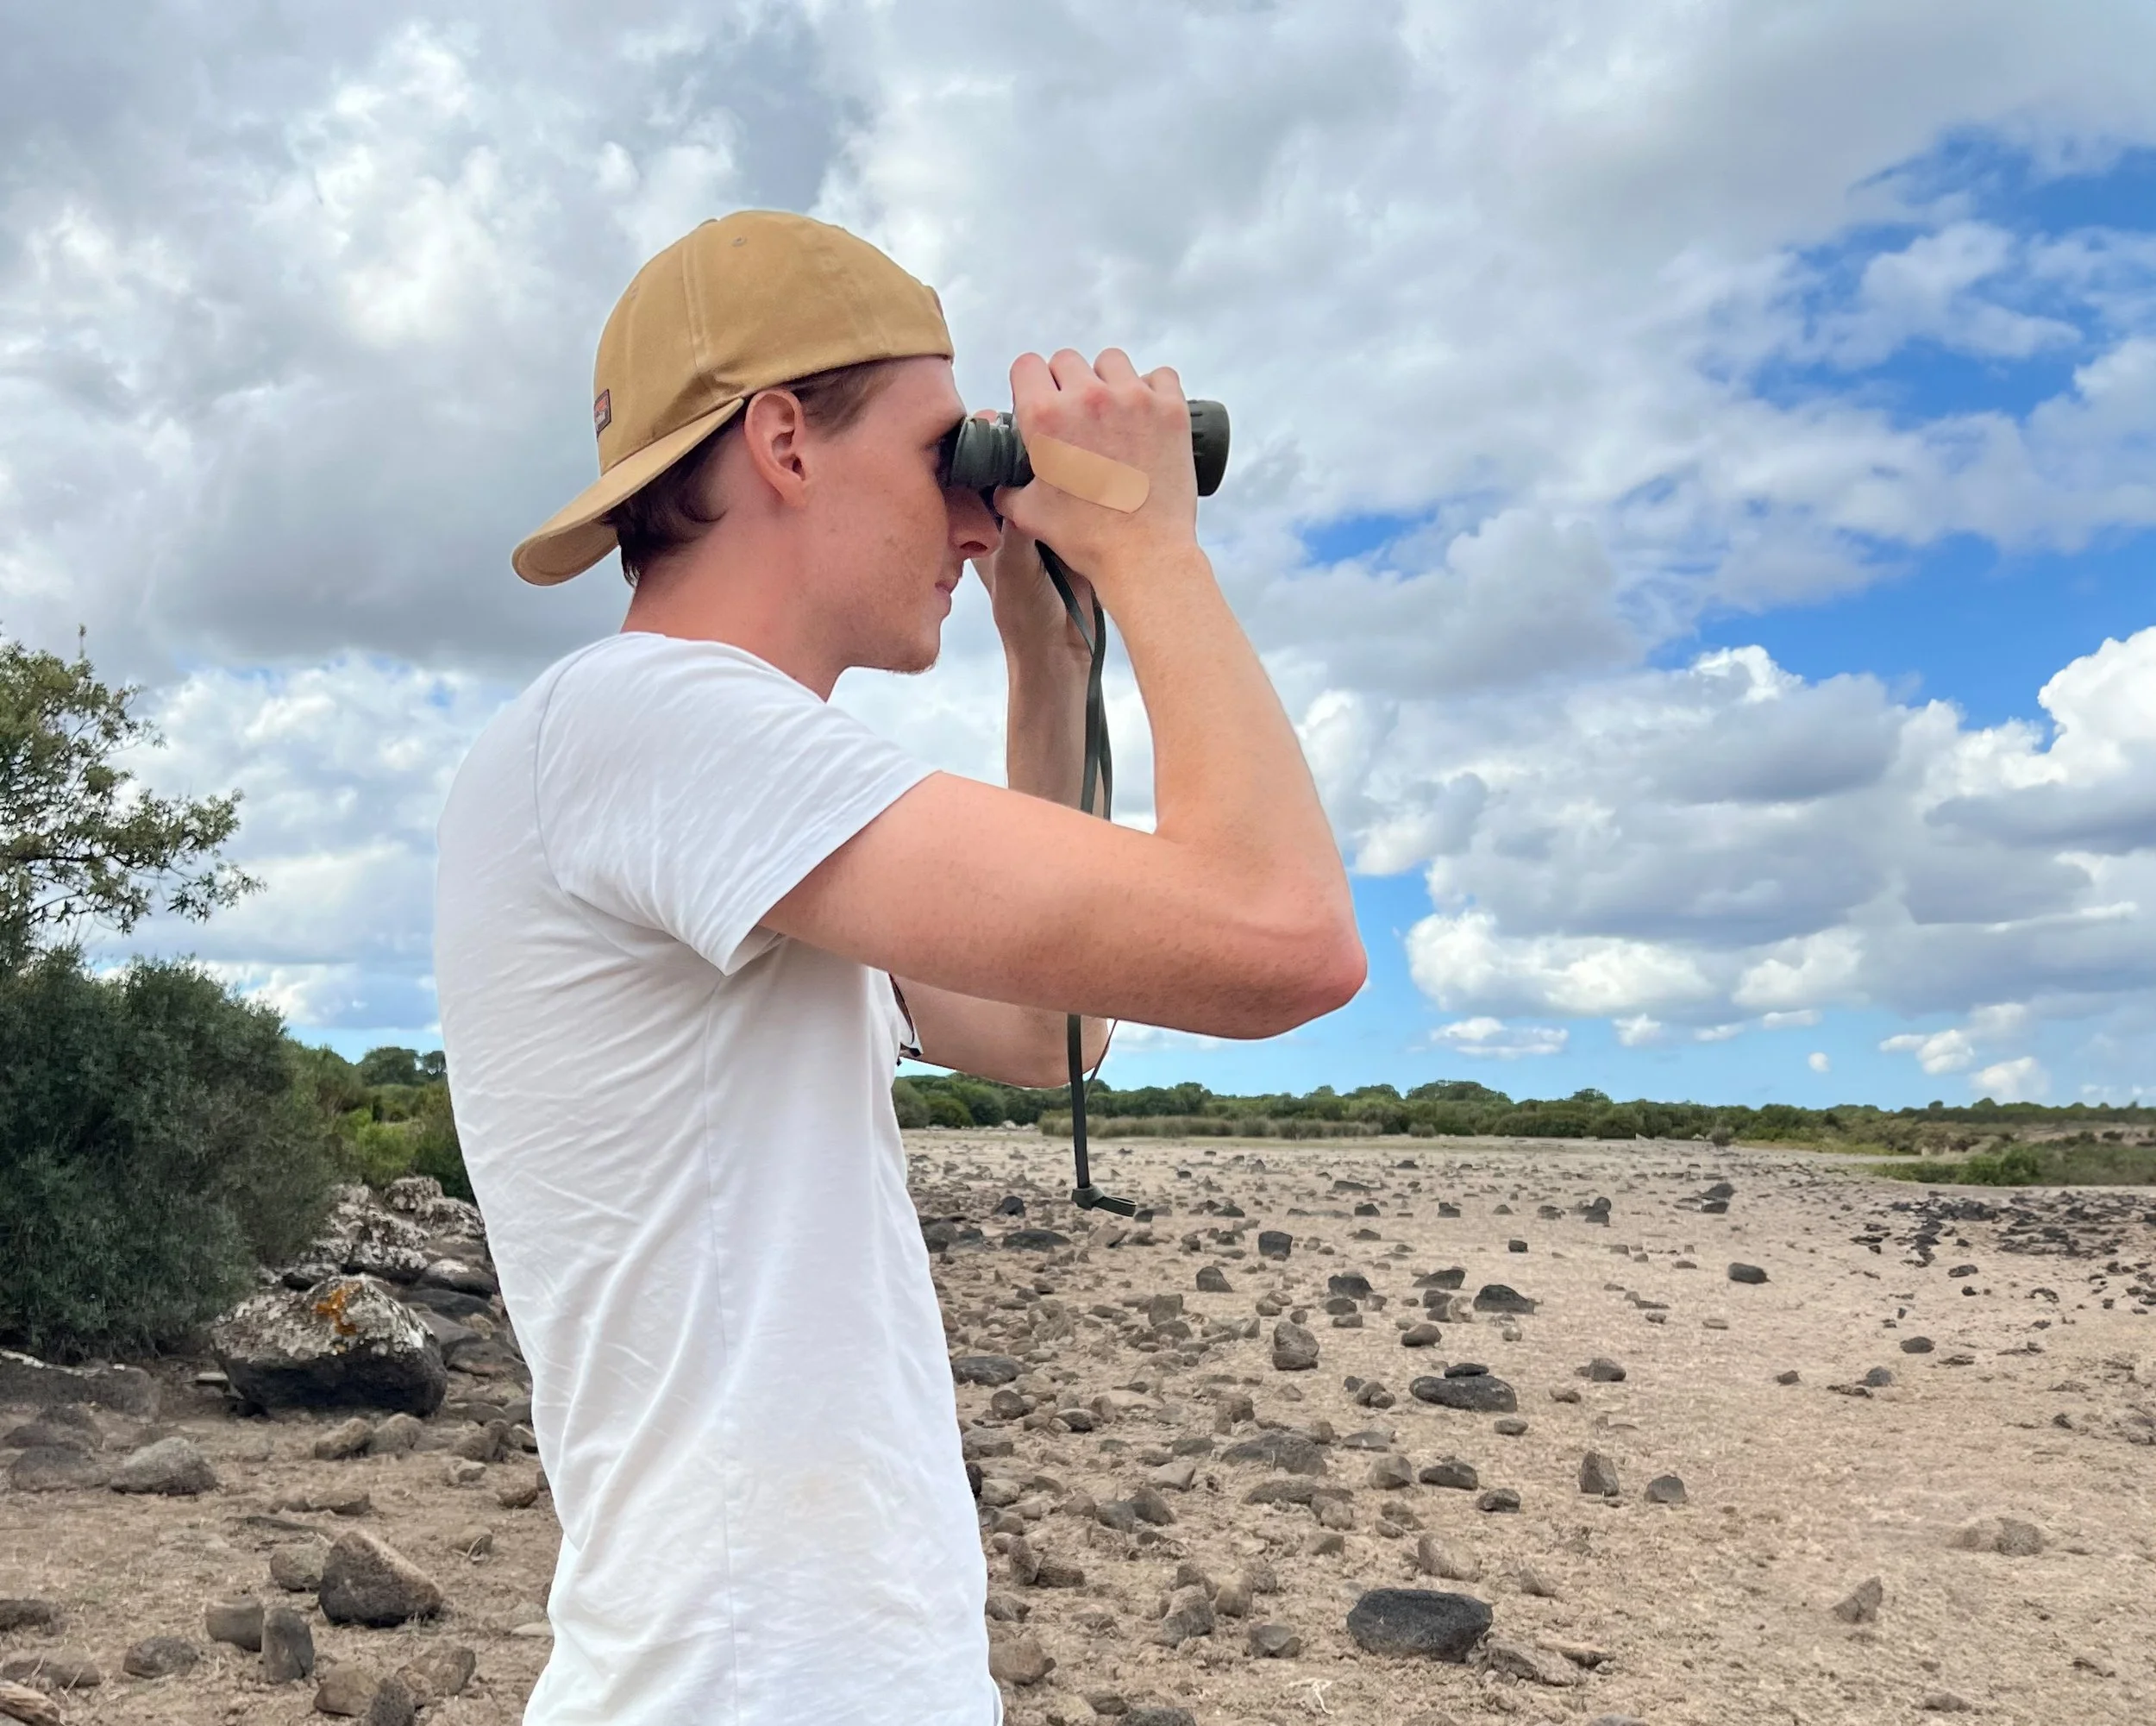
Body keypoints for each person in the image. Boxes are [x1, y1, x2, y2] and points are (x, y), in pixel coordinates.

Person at [433, 210, 1363, 1726]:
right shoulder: (649, 722)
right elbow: (1285, 938)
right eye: (950, 456)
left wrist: (1051, 660)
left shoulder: (697, 788)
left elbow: (1050, 1036)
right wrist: (1151, 549)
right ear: (784, 441)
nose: (982, 520)